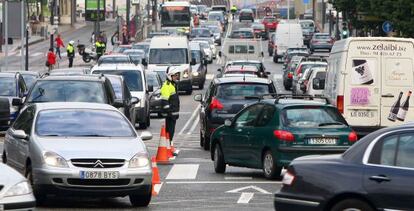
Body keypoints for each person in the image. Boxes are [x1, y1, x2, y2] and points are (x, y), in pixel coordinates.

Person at [160, 67, 180, 144]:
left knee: (171, 133)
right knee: (169, 133)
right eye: (175, 75)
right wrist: (170, 113)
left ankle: (169, 148)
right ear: (170, 76)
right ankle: (168, 149)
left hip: (173, 115)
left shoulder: (172, 85)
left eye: (177, 75)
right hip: (170, 115)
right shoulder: (167, 86)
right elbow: (165, 103)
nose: (176, 77)